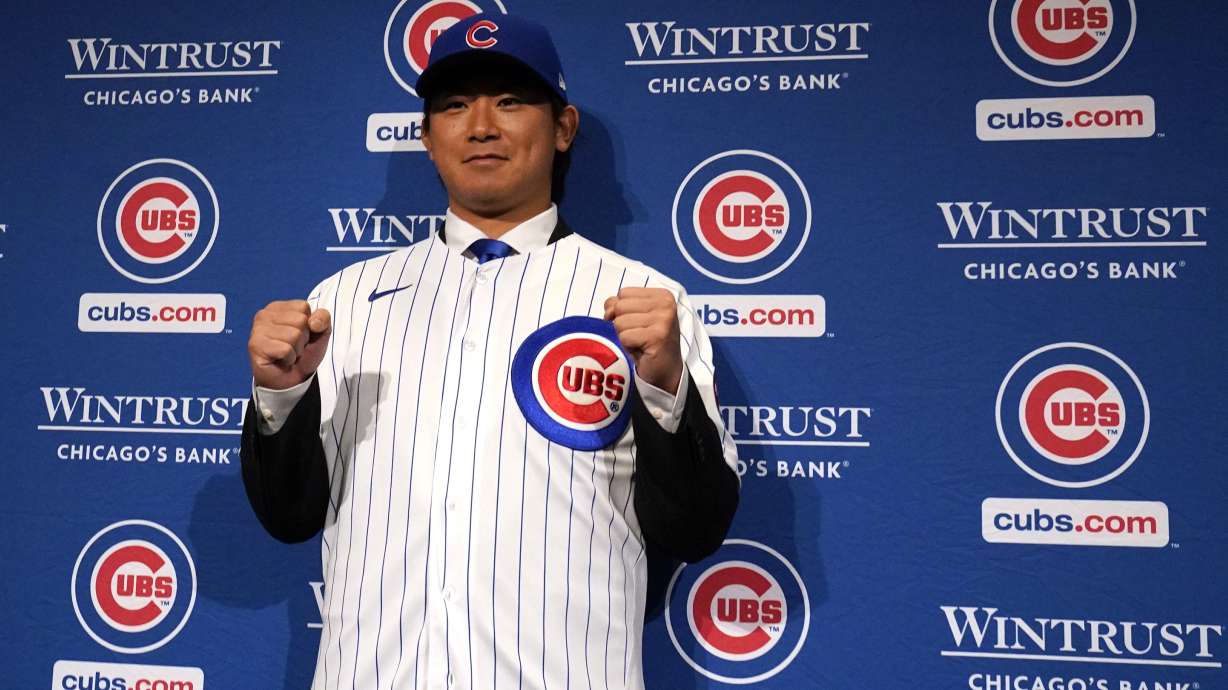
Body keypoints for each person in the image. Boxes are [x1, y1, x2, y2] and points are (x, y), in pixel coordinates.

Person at [240, 13, 738, 690]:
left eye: (509, 101)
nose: (480, 126)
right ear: (426, 137)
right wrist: (281, 395)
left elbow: (697, 529)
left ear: (562, 128)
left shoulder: (644, 301)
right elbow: (289, 516)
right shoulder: (344, 299)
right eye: (453, 106)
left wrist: (662, 386)